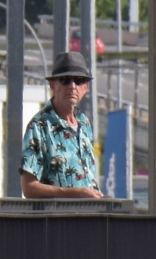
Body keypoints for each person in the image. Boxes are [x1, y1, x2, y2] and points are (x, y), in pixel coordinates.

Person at [20, 51, 102, 199]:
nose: (72, 86)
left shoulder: (84, 123)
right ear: (53, 85)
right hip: (56, 219)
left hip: (89, 217)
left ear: (86, 87)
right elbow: (29, 188)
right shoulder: (39, 127)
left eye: (78, 80)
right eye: (65, 80)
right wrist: (74, 194)